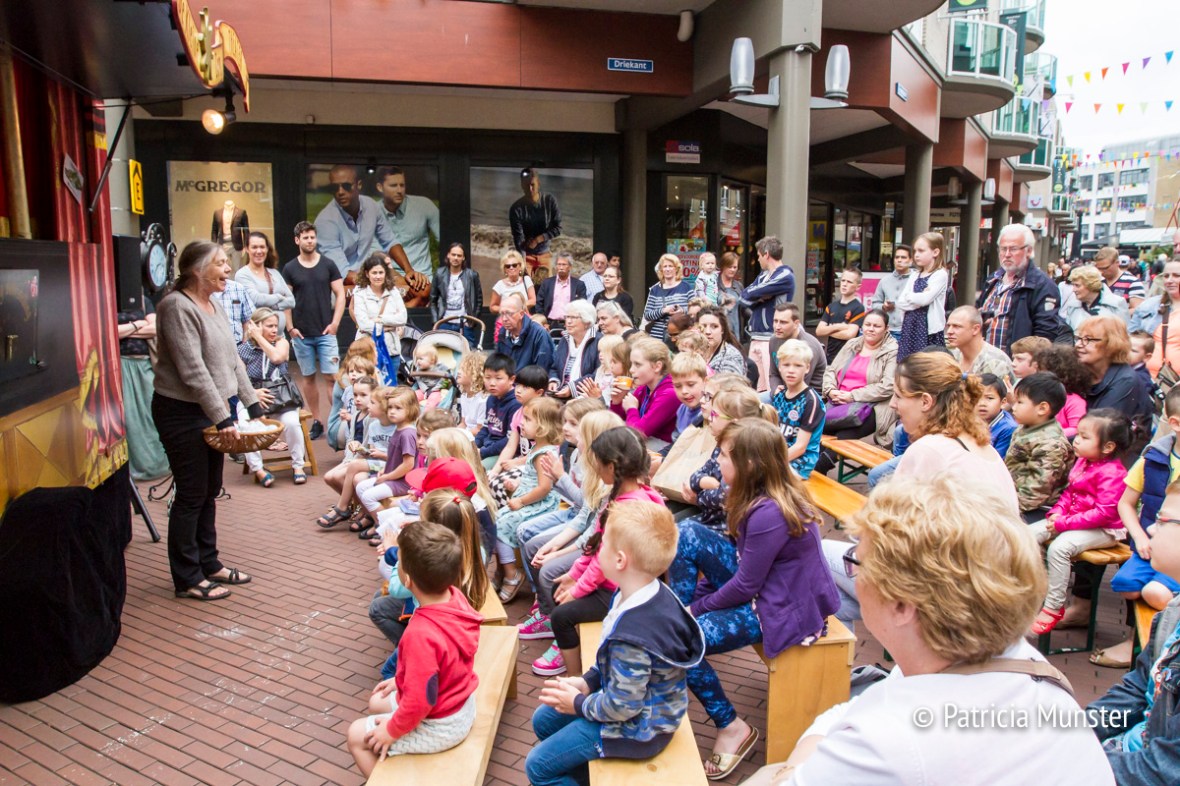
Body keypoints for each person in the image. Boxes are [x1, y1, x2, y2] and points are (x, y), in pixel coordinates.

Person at [776, 475, 1115, 785]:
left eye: (856, 562)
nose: (852, 574)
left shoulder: (888, 742)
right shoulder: (1023, 664)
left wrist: (794, 764)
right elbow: (861, 706)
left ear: (902, 605)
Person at [669, 418, 839, 779]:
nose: (718, 461)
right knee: (687, 533)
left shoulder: (768, 511)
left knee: (680, 643)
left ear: (749, 464)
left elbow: (746, 586)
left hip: (780, 606)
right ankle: (673, 617)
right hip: (765, 586)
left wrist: (693, 611)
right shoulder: (753, 495)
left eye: (725, 455)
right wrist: (688, 606)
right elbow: (744, 564)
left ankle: (732, 727)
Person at [524, 500, 705, 786]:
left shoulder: (631, 637)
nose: (596, 548)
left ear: (620, 560)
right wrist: (586, 682)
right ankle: (584, 772)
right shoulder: (641, 592)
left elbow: (622, 707)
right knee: (543, 720)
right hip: (637, 707)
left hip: (639, 730)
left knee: (537, 767)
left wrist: (580, 703)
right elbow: (614, 670)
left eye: (602, 543)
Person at [152, 240, 261, 601]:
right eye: (221, 263)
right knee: (192, 493)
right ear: (198, 270)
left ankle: (208, 562)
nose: (228, 269)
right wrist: (224, 418)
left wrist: (252, 406)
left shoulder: (212, 304)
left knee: (211, 489)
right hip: (183, 411)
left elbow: (232, 360)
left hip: (213, 408)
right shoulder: (175, 307)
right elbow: (194, 372)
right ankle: (187, 577)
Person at [346, 522, 480, 777]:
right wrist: (400, 680)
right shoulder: (455, 598)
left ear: (406, 579)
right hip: (461, 702)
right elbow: (443, 665)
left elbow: (421, 701)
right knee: (377, 701)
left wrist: (391, 731)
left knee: (355, 734)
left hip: (441, 725)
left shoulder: (420, 632)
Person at [532, 427, 667, 676]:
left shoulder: (631, 507)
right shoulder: (619, 496)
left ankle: (575, 677)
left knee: (562, 616)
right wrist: (573, 576)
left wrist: (578, 590)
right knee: (557, 588)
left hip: (622, 592)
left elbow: (603, 563)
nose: (594, 469)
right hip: (612, 583)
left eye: (598, 464)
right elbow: (594, 546)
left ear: (613, 467)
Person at [1088, 478, 1180, 782]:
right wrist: (1076, 729)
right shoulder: (1174, 611)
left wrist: (1071, 760)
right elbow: (1140, 687)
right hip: (1130, 751)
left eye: (1162, 520)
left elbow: (1165, 770)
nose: (1151, 528)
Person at [1028, 409, 1132, 635]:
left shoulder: (1113, 473)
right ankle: (1030, 590)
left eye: (1085, 437)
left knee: (1060, 548)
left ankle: (1053, 606)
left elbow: (1104, 513)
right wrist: (1057, 512)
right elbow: (1068, 493)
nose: (1076, 440)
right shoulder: (1083, 461)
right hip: (1073, 520)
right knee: (1027, 535)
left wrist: (1063, 523)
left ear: (1108, 447)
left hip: (1105, 529)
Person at [283, 221, 345, 440]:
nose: (310, 241)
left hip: (326, 332)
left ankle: (338, 422)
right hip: (301, 334)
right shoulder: (290, 268)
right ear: (297, 240)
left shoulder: (328, 265)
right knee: (308, 378)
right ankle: (318, 421)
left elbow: (341, 294)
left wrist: (336, 323)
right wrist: (290, 328)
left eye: (312, 237)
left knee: (331, 377)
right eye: (305, 237)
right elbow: (286, 301)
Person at [237, 308, 307, 486]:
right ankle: (259, 470)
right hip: (254, 398)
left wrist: (259, 337)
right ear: (256, 325)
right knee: (246, 423)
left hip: (282, 398)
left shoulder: (281, 343)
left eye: (276, 326)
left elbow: (277, 358)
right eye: (269, 326)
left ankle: (298, 465)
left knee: (292, 423)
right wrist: (253, 394)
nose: (275, 330)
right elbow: (240, 379)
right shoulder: (242, 350)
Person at [976, 222, 1071, 355]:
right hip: (987, 361)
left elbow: (1044, 336)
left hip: (1017, 365)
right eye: (1003, 249)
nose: (1007, 254)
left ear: (1029, 251)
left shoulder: (1043, 285)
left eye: (1013, 249)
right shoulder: (993, 280)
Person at [314, 164, 417, 287]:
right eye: (335, 187)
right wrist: (381, 282)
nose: (340, 192)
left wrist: (408, 270)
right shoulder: (325, 222)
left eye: (346, 186)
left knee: (422, 291)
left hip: (368, 274)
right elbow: (343, 273)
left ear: (359, 185)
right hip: (338, 284)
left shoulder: (370, 206)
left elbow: (390, 242)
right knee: (392, 292)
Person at [816, 309, 898, 454]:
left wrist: (852, 396)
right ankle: (810, 469)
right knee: (814, 429)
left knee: (843, 437)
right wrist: (831, 390)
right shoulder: (852, 344)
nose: (871, 329)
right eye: (868, 324)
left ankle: (818, 468)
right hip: (838, 402)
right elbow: (831, 370)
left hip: (870, 406)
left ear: (886, 329)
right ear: (862, 326)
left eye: (877, 326)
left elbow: (888, 386)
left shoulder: (892, 350)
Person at [1075, 316, 1154, 459]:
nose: (1079, 345)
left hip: (1116, 460)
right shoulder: (1081, 372)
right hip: (1085, 447)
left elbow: (1098, 429)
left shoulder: (1126, 381)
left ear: (1111, 344)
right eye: (1079, 338)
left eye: (1088, 339)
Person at [373, 166, 438, 307]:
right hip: (388, 277)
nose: (399, 190)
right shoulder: (371, 214)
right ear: (380, 187)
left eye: (402, 185)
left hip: (422, 279)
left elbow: (447, 239)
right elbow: (375, 256)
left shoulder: (424, 206)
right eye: (393, 185)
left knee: (424, 291)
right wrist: (399, 279)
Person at [355, 388, 420, 527]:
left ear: (410, 409)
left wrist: (388, 477)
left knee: (368, 496)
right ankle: (377, 522)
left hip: (403, 483)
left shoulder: (407, 433)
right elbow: (394, 459)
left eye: (398, 408)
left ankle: (386, 527)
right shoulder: (399, 429)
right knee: (361, 487)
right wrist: (385, 471)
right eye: (390, 407)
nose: (392, 411)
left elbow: (408, 464)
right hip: (393, 477)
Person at [741, 236, 796, 391]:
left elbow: (754, 292)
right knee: (754, 388)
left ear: (766, 254)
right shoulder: (763, 276)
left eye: (758, 256)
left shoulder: (785, 275)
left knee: (773, 386)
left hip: (772, 337)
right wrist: (760, 297)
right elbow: (744, 297)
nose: (758, 260)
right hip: (756, 336)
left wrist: (757, 295)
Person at [350, 253, 408, 383]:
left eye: (381, 272)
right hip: (366, 349)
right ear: (367, 274)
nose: (378, 276)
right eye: (374, 273)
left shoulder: (393, 291)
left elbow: (402, 318)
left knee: (389, 389)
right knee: (367, 387)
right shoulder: (360, 292)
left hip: (391, 349)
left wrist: (380, 319)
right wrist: (388, 325)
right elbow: (364, 324)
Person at [610, 338, 679, 445]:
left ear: (657, 366)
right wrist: (617, 402)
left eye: (637, 364)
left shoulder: (670, 393)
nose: (632, 369)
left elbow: (639, 433)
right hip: (646, 443)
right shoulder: (643, 388)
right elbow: (616, 424)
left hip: (662, 448)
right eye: (631, 364)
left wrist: (631, 409)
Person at [896, 232, 949, 362]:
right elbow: (900, 302)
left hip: (928, 329)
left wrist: (914, 297)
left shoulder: (940, 274)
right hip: (910, 325)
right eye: (915, 251)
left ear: (935, 252)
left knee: (926, 365)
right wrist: (918, 297)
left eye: (921, 251)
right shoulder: (915, 274)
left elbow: (925, 299)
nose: (916, 255)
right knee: (907, 364)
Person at [234, 232, 295, 333]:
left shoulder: (274, 273)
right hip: (257, 339)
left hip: (279, 336)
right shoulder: (242, 274)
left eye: (262, 247)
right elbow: (256, 299)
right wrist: (279, 297)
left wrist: (269, 305)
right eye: (254, 247)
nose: (259, 251)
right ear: (247, 249)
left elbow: (291, 301)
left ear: (267, 249)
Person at [510, 168, 562, 280]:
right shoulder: (516, 208)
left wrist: (538, 239)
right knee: (525, 291)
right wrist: (522, 262)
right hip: (526, 255)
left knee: (546, 291)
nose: (530, 188)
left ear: (538, 184)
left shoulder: (549, 201)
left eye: (532, 185)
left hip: (544, 254)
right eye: (526, 185)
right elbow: (518, 238)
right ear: (521, 185)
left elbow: (558, 228)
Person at [429, 242, 483, 347]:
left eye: (459, 255)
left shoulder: (472, 275)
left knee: (467, 356)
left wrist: (472, 321)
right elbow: (433, 300)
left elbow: (479, 300)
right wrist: (436, 321)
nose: (456, 258)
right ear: (448, 255)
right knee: (444, 356)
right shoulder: (440, 274)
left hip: (465, 324)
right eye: (453, 254)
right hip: (444, 322)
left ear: (463, 258)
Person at [766, 303, 827, 393]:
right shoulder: (774, 340)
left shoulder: (808, 346)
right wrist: (776, 390)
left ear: (796, 324)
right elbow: (773, 374)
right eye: (775, 321)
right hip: (785, 391)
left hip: (809, 395)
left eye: (783, 322)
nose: (777, 327)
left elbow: (800, 383)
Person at [945, 305, 1014, 385]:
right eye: (948, 326)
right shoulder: (952, 356)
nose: (949, 331)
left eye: (957, 326)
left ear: (975, 329)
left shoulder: (996, 362)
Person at [475, 352, 522, 466]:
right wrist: (474, 446)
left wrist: (482, 452)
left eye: (498, 378)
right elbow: (486, 428)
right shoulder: (491, 399)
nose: (492, 383)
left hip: (504, 453)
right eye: (487, 378)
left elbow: (510, 441)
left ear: (511, 379)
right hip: (487, 447)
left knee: (479, 469)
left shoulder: (516, 404)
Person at [1035, 344, 1092, 438]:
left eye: (1043, 372)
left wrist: (1049, 434)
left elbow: (1077, 428)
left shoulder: (1074, 401)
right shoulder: (1040, 396)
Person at [549, 300, 599, 399]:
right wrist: (553, 380)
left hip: (584, 396)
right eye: (567, 317)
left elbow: (598, 374)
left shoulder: (598, 341)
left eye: (573, 317)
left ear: (587, 322)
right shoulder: (565, 338)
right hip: (560, 391)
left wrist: (573, 388)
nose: (568, 321)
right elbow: (554, 366)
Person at [495, 292, 555, 372]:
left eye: (509, 314)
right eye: (502, 314)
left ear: (521, 314)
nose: (505, 319)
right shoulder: (503, 333)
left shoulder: (539, 334)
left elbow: (542, 372)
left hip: (530, 382)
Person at [816, 267, 866, 362]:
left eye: (849, 282)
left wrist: (829, 330)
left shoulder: (858, 307)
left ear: (858, 286)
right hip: (830, 357)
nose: (844, 284)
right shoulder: (831, 306)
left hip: (848, 358)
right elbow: (819, 331)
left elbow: (849, 334)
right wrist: (839, 327)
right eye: (843, 280)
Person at [1061, 265, 1130, 330]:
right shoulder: (1072, 306)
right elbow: (1068, 335)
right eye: (1073, 285)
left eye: (1077, 285)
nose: (1073, 290)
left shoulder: (1117, 303)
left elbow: (1123, 337)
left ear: (1090, 284)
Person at [642, 254, 693, 342]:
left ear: (676, 268)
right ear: (661, 269)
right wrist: (663, 310)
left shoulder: (686, 287)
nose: (667, 269)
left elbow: (695, 310)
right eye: (665, 266)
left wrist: (682, 311)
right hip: (658, 337)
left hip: (681, 336)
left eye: (670, 266)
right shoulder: (655, 290)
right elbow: (647, 315)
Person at [536, 253, 587, 333]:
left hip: (570, 325)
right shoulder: (547, 283)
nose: (561, 267)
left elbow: (582, 306)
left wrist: (574, 323)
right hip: (549, 324)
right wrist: (543, 322)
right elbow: (539, 303)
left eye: (564, 264)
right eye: (559, 264)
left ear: (570, 267)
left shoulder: (578, 285)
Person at [871, 244, 913, 339]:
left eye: (903, 257)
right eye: (897, 257)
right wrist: (883, 306)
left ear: (911, 260)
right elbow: (874, 304)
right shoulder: (885, 281)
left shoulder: (915, 280)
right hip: (887, 330)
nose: (899, 260)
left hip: (908, 330)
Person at [1128, 258, 1180, 335]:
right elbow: (1131, 336)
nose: (1169, 280)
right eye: (1166, 276)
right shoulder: (1148, 305)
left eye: (1176, 276)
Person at [696, 304, 745, 376]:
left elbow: (732, 386)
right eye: (703, 326)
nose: (707, 332)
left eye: (714, 326)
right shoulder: (693, 353)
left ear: (722, 329)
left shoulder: (731, 356)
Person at [209, 273, 256, 346]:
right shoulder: (200, 290)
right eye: (220, 264)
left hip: (236, 344)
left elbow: (249, 318)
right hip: (209, 344)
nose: (227, 269)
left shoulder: (237, 288)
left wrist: (244, 345)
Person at [1093, 245, 1146, 310]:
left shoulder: (1133, 282)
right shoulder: (1096, 281)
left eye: (1105, 268)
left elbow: (1137, 310)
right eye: (1099, 268)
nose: (1101, 272)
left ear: (1117, 263)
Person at [977, 373, 1018, 458]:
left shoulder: (1008, 428)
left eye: (989, 398)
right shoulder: (970, 419)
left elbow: (996, 460)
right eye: (976, 397)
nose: (982, 403)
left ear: (1003, 402)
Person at [490, 249, 537, 318]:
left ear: (520, 267)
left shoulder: (526, 280)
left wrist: (517, 306)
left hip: (524, 320)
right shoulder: (499, 285)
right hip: (506, 321)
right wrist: (506, 309)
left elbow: (533, 301)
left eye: (514, 265)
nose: (511, 268)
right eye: (508, 266)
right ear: (505, 269)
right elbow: (493, 307)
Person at [717, 251, 746, 341]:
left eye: (735, 267)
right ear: (723, 266)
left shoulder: (738, 286)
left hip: (735, 329)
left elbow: (743, 308)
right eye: (730, 267)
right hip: (717, 328)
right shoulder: (713, 284)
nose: (733, 270)